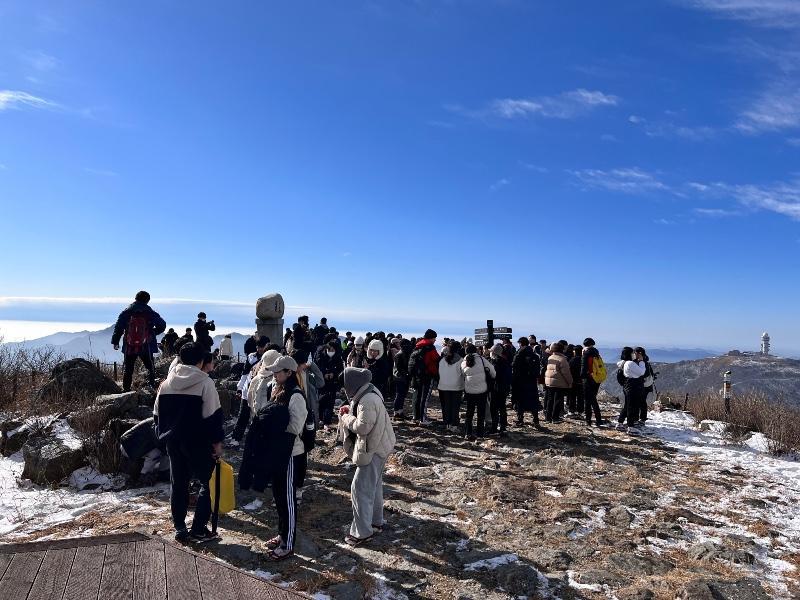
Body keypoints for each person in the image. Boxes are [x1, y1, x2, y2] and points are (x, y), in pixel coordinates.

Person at [153, 342, 224, 543]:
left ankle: (180, 528)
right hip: (198, 442)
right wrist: (217, 443)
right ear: (201, 361)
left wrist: (163, 436)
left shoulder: (166, 383)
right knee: (205, 483)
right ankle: (199, 529)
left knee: (179, 483)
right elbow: (213, 417)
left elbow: (157, 415)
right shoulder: (205, 383)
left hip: (173, 441)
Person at [338, 368, 396, 546]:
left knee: (360, 488)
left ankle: (362, 532)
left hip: (373, 449)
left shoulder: (367, 400)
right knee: (374, 485)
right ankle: (375, 522)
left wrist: (346, 417)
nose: (345, 390)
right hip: (381, 446)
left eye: (345, 386)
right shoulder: (369, 390)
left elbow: (363, 427)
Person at [260, 355, 307, 560]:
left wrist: (273, 428)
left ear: (289, 372)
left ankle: (288, 544)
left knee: (287, 499)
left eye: (278, 371)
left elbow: (296, 427)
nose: (274, 374)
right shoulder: (278, 389)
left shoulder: (296, 395)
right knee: (279, 496)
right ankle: (282, 534)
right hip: (277, 451)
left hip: (290, 453)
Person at [111, 291, 167, 392]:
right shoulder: (150, 312)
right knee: (150, 367)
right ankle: (151, 387)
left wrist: (115, 341)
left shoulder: (126, 311)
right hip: (146, 345)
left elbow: (119, 327)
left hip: (129, 345)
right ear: (147, 300)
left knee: (128, 368)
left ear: (135, 298)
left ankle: (126, 389)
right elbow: (162, 325)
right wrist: (152, 333)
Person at [460, 343, 495, 440]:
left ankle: (468, 433)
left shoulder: (463, 362)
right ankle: (480, 434)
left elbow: (462, 375)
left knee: (469, 413)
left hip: (469, 391)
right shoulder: (482, 360)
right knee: (481, 413)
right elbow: (493, 372)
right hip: (482, 390)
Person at [409, 329, 440, 425]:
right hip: (427, 375)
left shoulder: (418, 345)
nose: (435, 340)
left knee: (417, 397)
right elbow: (436, 359)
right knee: (424, 398)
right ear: (430, 338)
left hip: (417, 375)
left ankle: (416, 417)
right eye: (434, 338)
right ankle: (423, 419)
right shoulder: (430, 347)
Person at [512, 337, 541, 427]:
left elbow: (514, 365)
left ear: (521, 343)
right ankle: (536, 420)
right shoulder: (534, 355)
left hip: (521, 381)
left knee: (520, 400)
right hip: (532, 381)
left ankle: (520, 419)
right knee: (533, 400)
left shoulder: (520, 354)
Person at [616, 347, 647, 431]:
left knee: (627, 406)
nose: (634, 354)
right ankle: (630, 427)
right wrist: (641, 361)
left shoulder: (625, 362)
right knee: (631, 407)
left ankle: (620, 423)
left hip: (627, 385)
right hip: (633, 386)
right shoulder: (630, 363)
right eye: (633, 353)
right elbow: (642, 372)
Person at [438, 341, 465, 433]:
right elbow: (463, 374)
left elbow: (439, 372)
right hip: (456, 387)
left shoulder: (442, 360)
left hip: (443, 386)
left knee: (446, 406)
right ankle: (454, 425)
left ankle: (447, 423)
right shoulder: (461, 360)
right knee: (455, 407)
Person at [315, 341, 344, 428]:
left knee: (330, 401)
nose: (330, 351)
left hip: (333, 383)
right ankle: (320, 418)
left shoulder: (338, 358)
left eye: (332, 349)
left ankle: (327, 421)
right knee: (321, 400)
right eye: (329, 349)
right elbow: (318, 368)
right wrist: (324, 374)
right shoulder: (321, 357)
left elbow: (340, 370)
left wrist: (333, 374)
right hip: (322, 383)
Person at [544, 342, 573, 424]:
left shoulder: (550, 358)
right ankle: (555, 418)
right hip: (559, 383)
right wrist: (570, 382)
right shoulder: (562, 359)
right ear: (562, 350)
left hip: (549, 382)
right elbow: (566, 373)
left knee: (550, 400)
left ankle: (548, 417)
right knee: (557, 400)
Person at [580, 337, 605, 427]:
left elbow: (583, 369)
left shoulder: (586, 354)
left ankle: (588, 420)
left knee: (588, 400)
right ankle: (598, 419)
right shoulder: (596, 353)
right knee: (593, 398)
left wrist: (582, 377)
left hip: (588, 379)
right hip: (596, 378)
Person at [489, 343, 512, 436]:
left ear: (494, 352)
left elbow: (493, 376)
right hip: (504, 388)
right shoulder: (505, 362)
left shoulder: (494, 363)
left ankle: (494, 428)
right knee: (502, 408)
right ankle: (503, 426)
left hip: (495, 388)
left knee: (494, 408)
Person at [391, 338, 413, 420]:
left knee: (402, 395)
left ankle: (400, 411)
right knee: (399, 395)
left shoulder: (404, 353)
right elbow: (399, 368)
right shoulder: (399, 355)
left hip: (403, 377)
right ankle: (397, 412)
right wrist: (407, 373)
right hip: (400, 378)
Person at [638, 347, 654, 424]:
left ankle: (642, 418)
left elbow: (646, 373)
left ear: (639, 353)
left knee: (641, 401)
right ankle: (642, 417)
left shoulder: (643, 362)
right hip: (647, 385)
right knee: (642, 401)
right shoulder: (645, 361)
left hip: (644, 385)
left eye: (635, 352)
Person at [567, 345, 584, 417]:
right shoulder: (583, 359)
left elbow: (569, 371)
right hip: (582, 381)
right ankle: (580, 412)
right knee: (580, 397)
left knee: (572, 397)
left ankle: (572, 411)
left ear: (575, 351)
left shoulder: (572, 360)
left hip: (573, 381)